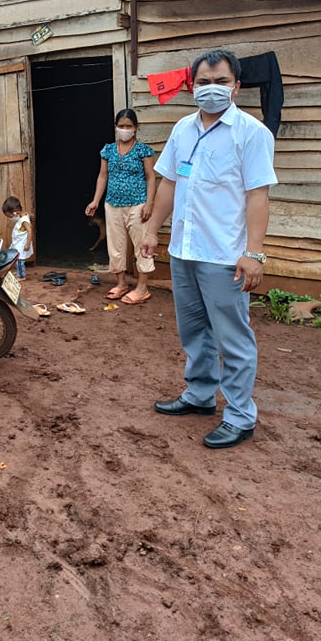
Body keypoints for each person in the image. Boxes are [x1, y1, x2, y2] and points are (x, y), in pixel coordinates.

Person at [140, 50, 277, 450]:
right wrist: (152, 231)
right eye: (203, 82)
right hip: (185, 251)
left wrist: (253, 253)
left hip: (224, 256)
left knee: (232, 338)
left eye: (220, 81)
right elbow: (169, 184)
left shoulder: (251, 134)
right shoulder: (183, 129)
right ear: (191, 85)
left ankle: (239, 416)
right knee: (193, 331)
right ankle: (200, 395)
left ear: (236, 86)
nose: (211, 89)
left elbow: (257, 197)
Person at [85, 108, 156, 304]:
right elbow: (103, 176)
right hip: (112, 204)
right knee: (115, 246)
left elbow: (151, 178)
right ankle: (121, 284)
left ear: (135, 128)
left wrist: (149, 203)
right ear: (115, 127)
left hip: (138, 204)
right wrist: (96, 200)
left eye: (128, 126)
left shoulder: (143, 150)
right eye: (121, 126)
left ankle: (142, 288)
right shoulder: (108, 150)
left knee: (141, 245)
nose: (124, 129)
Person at [2, 196, 33, 280]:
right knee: (16, 259)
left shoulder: (24, 221)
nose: (10, 218)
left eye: (9, 216)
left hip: (22, 245)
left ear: (16, 212)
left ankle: (22, 276)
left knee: (19, 261)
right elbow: (26, 214)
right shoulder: (22, 215)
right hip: (18, 243)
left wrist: (27, 244)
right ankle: (20, 272)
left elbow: (30, 231)